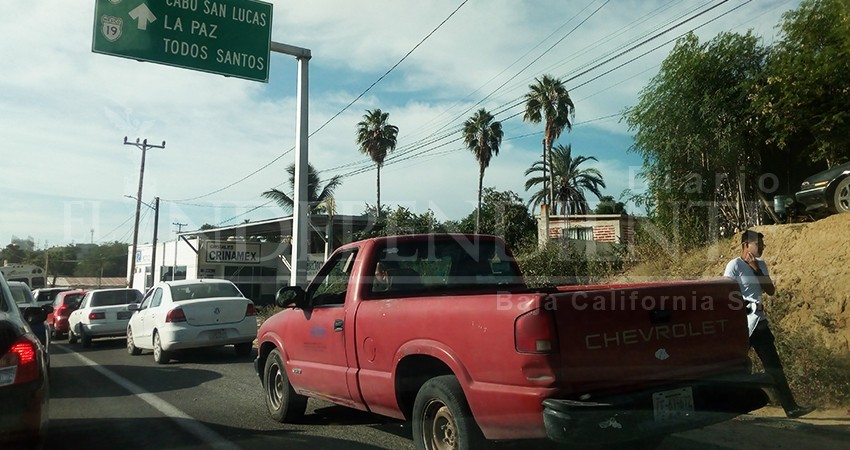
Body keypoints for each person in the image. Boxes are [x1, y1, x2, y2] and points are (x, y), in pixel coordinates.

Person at [724, 230, 814, 419]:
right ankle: (724, 405)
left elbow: (770, 290)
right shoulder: (734, 265)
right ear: (746, 245)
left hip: (760, 323)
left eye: (762, 244)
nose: (762, 247)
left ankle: (791, 408)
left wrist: (756, 269)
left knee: (774, 366)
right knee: (732, 366)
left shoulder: (760, 265)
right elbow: (726, 294)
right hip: (740, 325)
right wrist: (749, 305)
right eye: (758, 244)